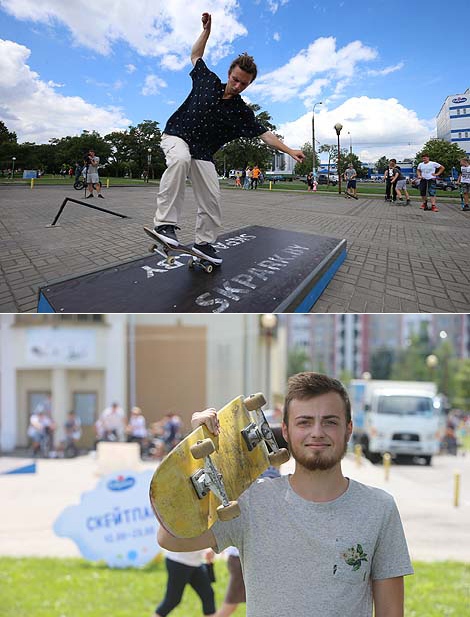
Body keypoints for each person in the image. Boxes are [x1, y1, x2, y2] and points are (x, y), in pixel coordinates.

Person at [158, 372, 414, 617]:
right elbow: (170, 538)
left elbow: (391, 612)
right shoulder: (251, 503)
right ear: (286, 431)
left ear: (348, 429)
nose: (317, 432)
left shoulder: (379, 508)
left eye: (330, 422)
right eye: (304, 422)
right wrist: (194, 450)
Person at [151, 12, 305, 266]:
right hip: (176, 135)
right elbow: (195, 56)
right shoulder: (207, 81)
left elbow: (264, 133)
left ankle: (204, 243)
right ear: (229, 74)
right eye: (235, 80)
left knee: (212, 196)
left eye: (243, 84)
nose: (237, 86)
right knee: (179, 159)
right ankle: (165, 225)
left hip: (202, 152)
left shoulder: (241, 112)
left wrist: (289, 150)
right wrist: (206, 33)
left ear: (249, 84)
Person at [153, 549, 216, 617]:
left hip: (196, 562)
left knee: (208, 595)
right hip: (178, 561)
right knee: (172, 600)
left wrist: (209, 548)